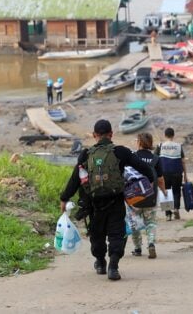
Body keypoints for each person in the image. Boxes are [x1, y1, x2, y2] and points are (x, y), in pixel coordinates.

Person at [60, 119, 154, 281]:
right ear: (111, 134)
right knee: (117, 234)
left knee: (97, 235)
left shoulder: (86, 154)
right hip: (115, 201)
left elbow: (75, 178)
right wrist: (150, 180)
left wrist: (64, 198)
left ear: (94, 135)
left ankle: (101, 262)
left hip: (94, 203)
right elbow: (144, 168)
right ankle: (113, 266)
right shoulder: (121, 152)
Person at [131, 132, 167, 259]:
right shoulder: (155, 159)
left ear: (139, 142)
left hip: (134, 197)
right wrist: (164, 191)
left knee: (134, 222)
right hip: (151, 195)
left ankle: (137, 248)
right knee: (150, 222)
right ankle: (151, 243)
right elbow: (161, 179)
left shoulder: (133, 157)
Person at [155, 127, 187, 221]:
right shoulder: (178, 146)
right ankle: (176, 208)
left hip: (164, 173)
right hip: (177, 172)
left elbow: (155, 160)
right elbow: (183, 161)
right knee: (176, 192)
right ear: (173, 135)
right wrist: (186, 175)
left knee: (165, 192)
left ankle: (168, 215)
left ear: (165, 135)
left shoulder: (160, 145)